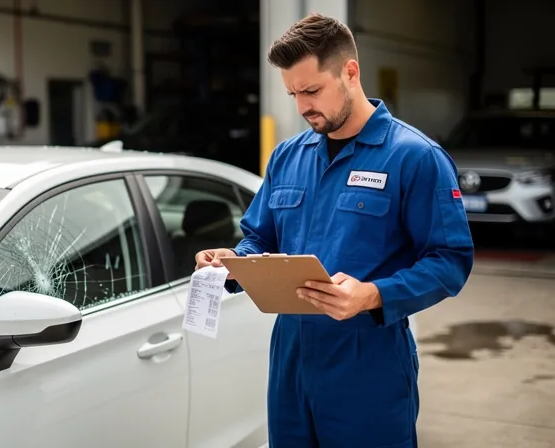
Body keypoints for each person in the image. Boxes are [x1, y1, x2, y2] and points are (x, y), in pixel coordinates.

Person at [194, 13, 474, 448]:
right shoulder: (288, 156)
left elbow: (449, 261)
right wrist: (234, 262)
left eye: (311, 90)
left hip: (369, 363)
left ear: (350, 72)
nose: (303, 105)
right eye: (292, 93)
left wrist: (373, 294)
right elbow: (260, 238)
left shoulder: (414, 157)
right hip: (291, 361)